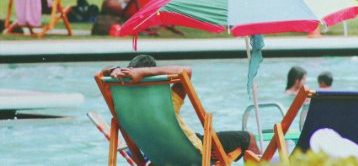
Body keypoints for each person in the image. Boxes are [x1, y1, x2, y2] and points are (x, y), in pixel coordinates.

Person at [103, 54, 260, 161]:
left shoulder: (122, 106)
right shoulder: (167, 102)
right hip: (193, 152)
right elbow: (186, 71)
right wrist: (144, 72)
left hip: (158, 157)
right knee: (248, 138)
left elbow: (101, 73)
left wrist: (115, 69)